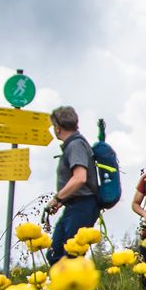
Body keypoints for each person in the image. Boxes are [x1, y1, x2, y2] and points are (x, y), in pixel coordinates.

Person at [41, 105, 98, 265]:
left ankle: (76, 289)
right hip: (74, 206)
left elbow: (80, 178)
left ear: (57, 127)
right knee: (56, 254)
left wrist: (57, 197)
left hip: (83, 206)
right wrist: (60, 201)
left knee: (71, 256)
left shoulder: (75, 145)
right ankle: (64, 289)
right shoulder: (74, 144)